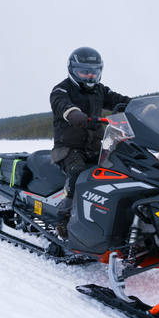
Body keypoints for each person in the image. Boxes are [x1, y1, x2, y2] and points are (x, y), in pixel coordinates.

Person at [50, 47, 132, 238]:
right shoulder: (61, 89)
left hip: (96, 147)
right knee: (78, 172)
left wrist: (142, 107)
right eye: (84, 72)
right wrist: (73, 114)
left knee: (122, 168)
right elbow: (61, 104)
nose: (89, 76)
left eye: (93, 72)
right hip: (68, 149)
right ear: (72, 70)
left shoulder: (100, 90)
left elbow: (119, 101)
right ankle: (64, 216)